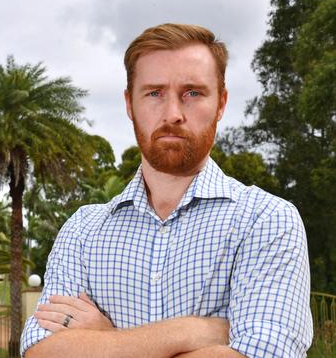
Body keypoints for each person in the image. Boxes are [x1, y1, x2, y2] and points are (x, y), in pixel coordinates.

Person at [20, 23, 313, 358]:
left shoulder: (267, 220)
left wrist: (105, 340)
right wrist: (191, 331)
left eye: (193, 93)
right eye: (154, 93)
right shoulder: (82, 231)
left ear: (221, 103)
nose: (173, 114)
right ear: (130, 104)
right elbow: (41, 352)